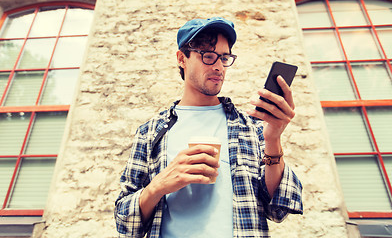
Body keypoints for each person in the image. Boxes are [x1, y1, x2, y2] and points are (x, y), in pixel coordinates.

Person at [115, 17, 303, 238]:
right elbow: (124, 222)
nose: (218, 66)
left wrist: (273, 140)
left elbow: (278, 208)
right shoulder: (150, 132)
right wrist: (157, 186)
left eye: (224, 57)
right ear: (181, 59)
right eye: (208, 55)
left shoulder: (251, 128)